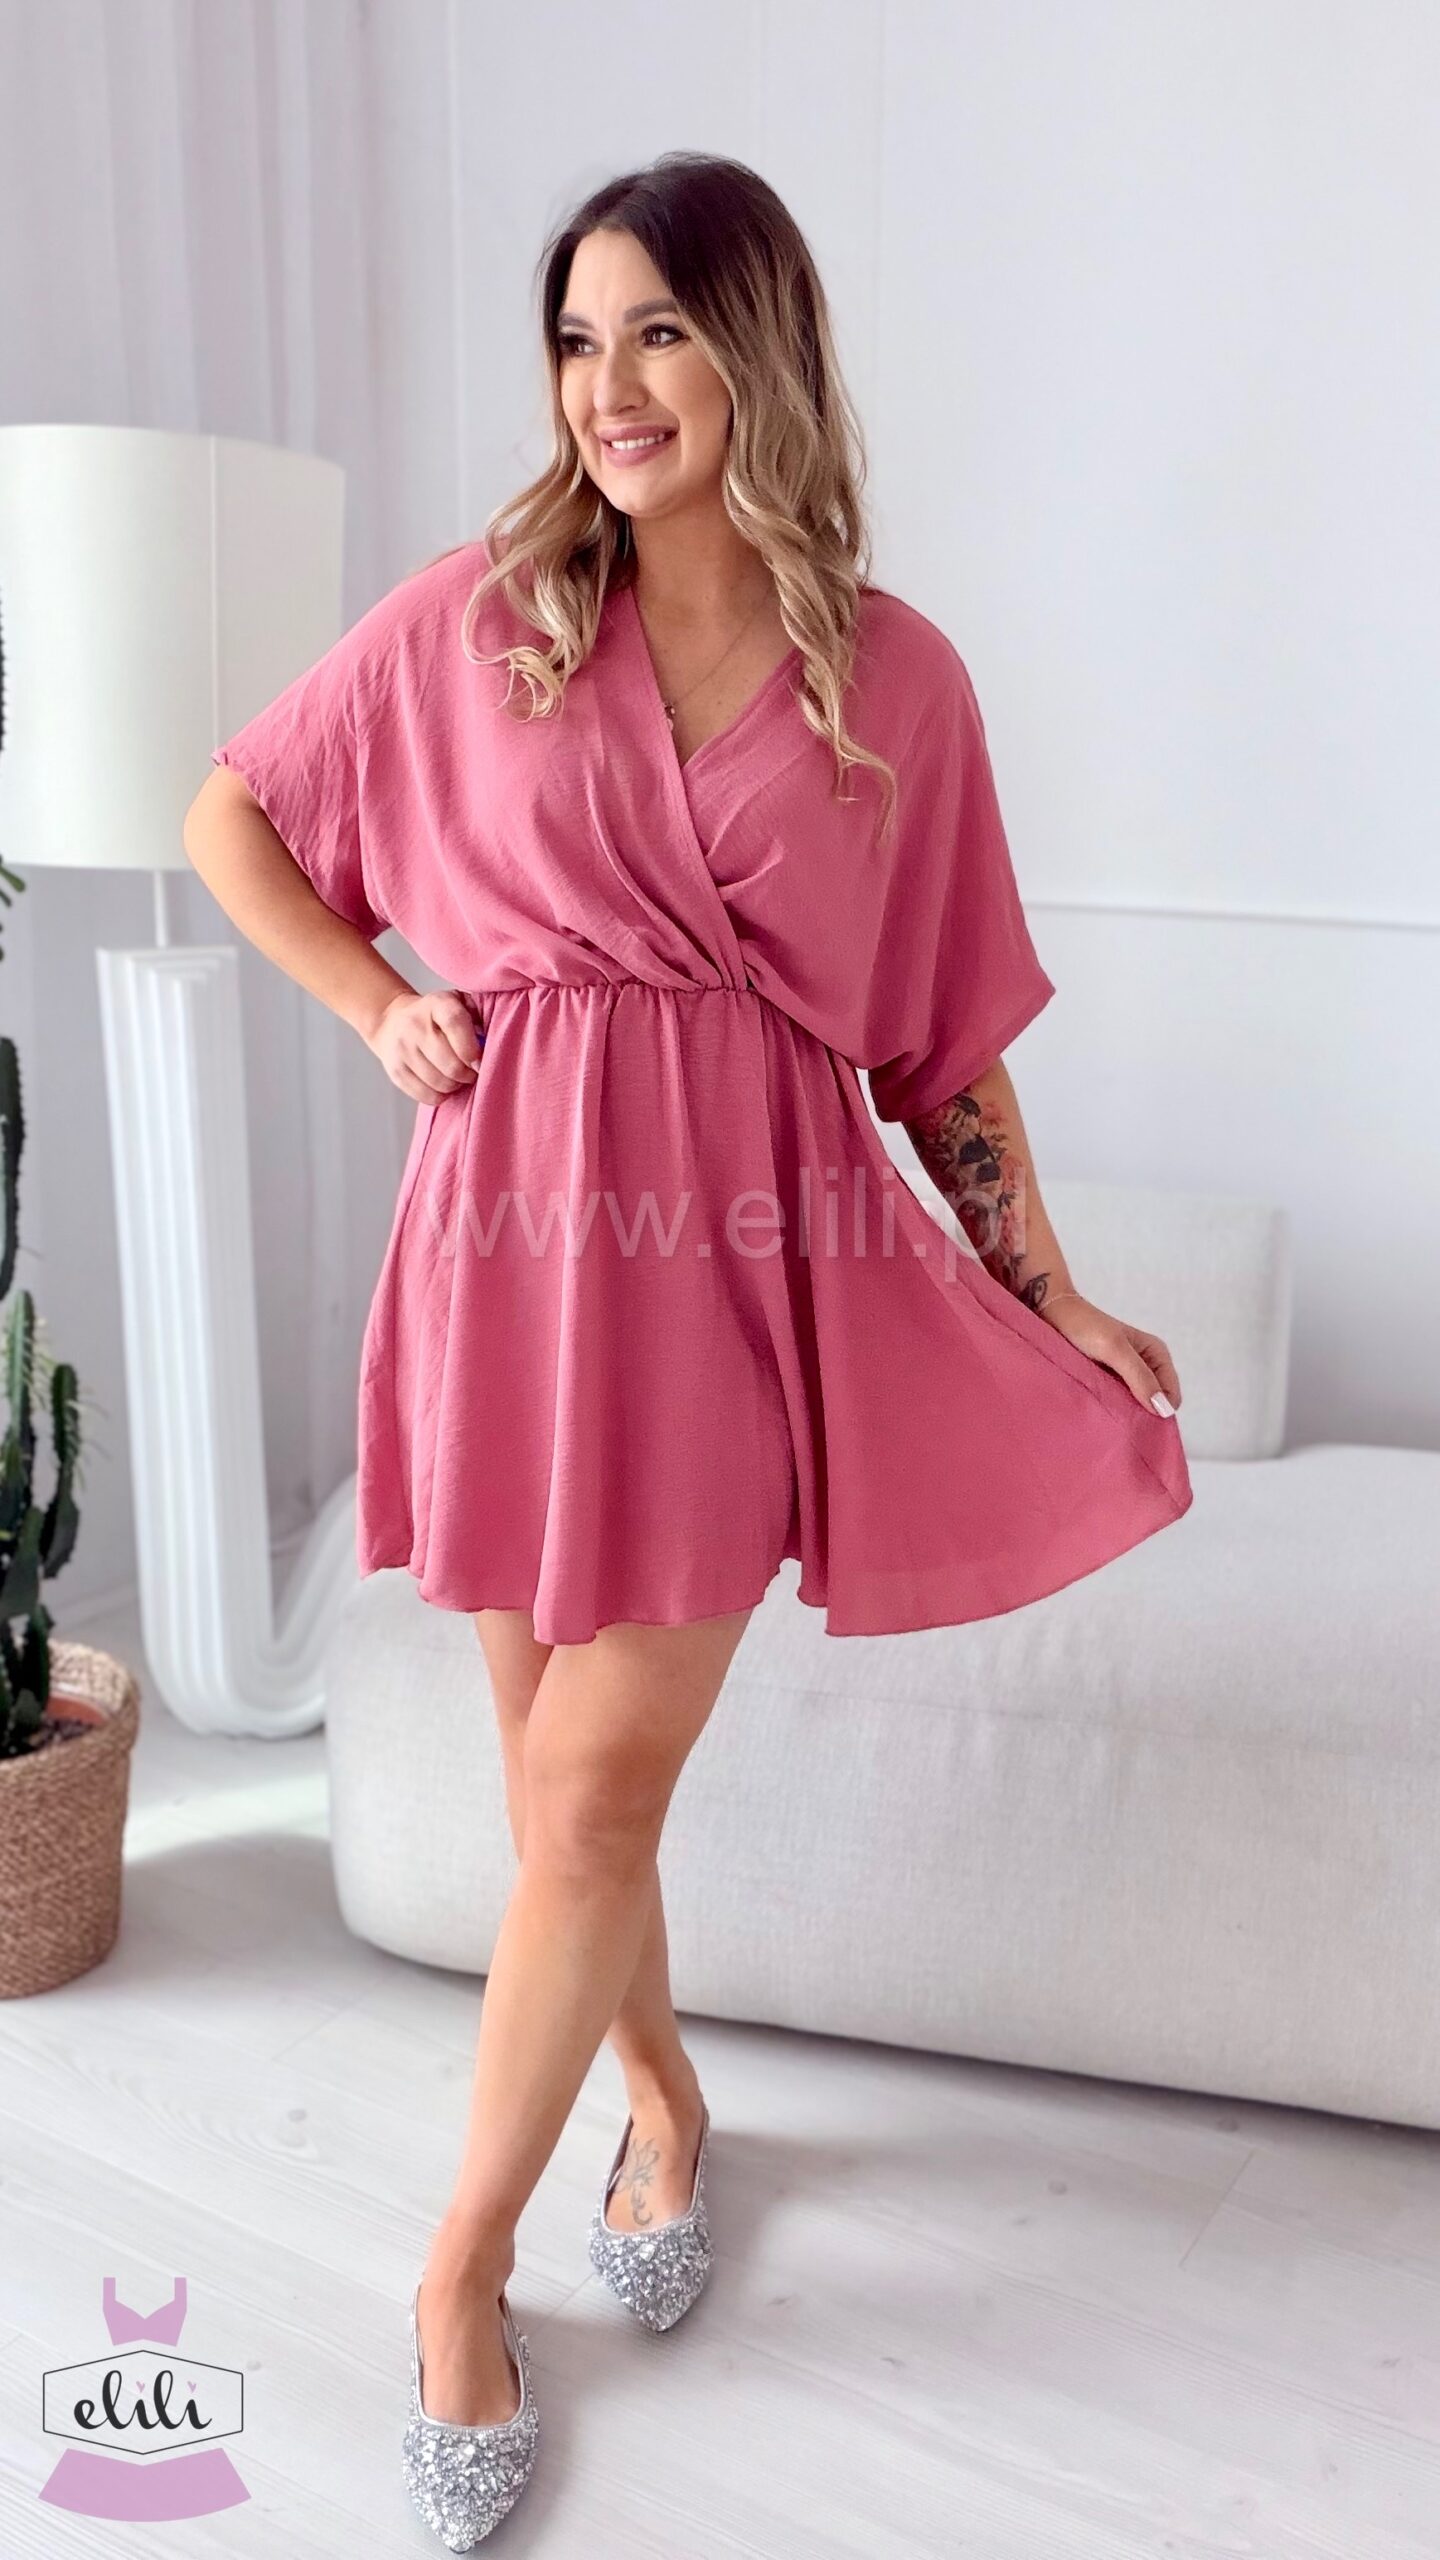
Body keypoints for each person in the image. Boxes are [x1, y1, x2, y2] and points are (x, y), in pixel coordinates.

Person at [184, 151, 1190, 2548]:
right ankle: (666, 2104)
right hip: (506, 1254)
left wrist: (1044, 1283)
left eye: (656, 329)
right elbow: (235, 814)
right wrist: (376, 1001)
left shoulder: (897, 680)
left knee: (592, 1797)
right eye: (575, 336)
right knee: (566, 1804)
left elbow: (941, 1040)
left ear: (757, 350)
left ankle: (455, 2270)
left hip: (735, 1273)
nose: (607, 385)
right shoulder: (487, 615)